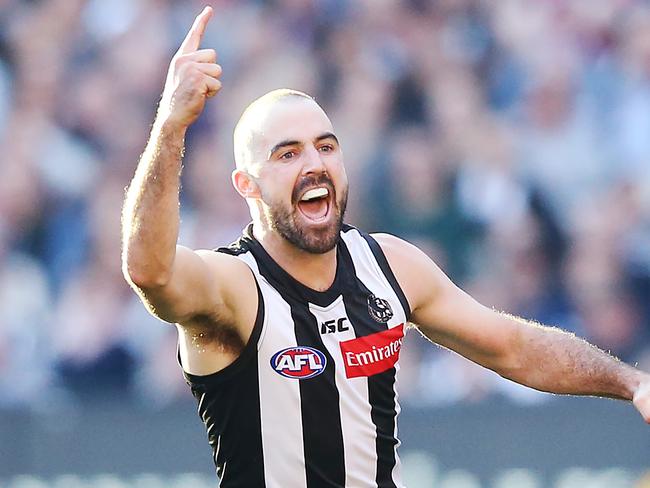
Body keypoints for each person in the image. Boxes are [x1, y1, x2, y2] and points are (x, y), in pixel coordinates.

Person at [121, 6, 650, 488]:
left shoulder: (388, 264)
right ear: (247, 185)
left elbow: (510, 346)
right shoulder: (234, 284)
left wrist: (631, 382)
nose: (313, 163)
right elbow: (150, 272)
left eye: (325, 146)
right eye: (287, 154)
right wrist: (171, 124)